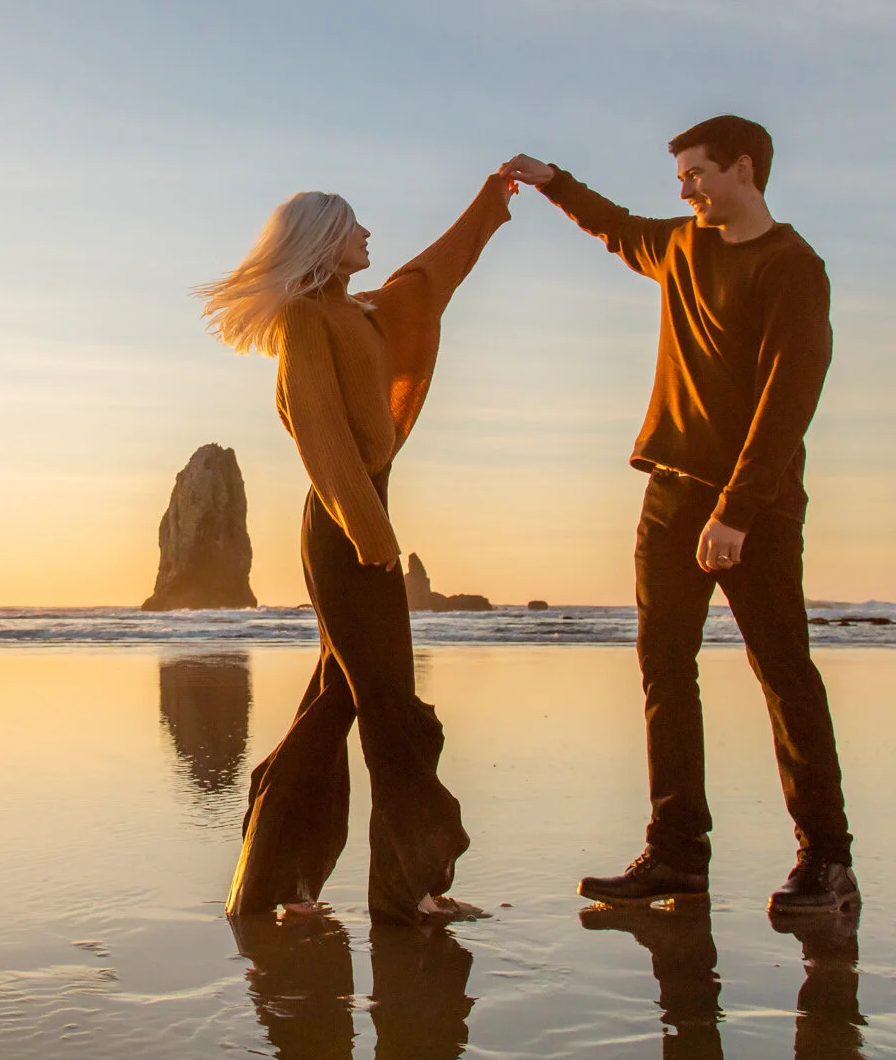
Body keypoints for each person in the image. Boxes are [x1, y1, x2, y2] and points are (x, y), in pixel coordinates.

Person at [501, 115, 858, 915]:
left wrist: (735, 509)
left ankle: (827, 861)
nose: (687, 189)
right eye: (681, 180)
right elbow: (614, 226)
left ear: (744, 168)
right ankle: (676, 855)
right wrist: (551, 179)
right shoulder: (678, 247)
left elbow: (788, 398)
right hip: (668, 495)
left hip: (753, 506)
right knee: (665, 670)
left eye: (697, 174)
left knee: (784, 674)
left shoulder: (794, 267)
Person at [202, 172, 514, 925]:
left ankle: (276, 885)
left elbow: (431, 273)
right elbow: (322, 435)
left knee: (337, 700)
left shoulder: (365, 311)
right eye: (353, 228)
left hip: (362, 521)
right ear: (323, 246)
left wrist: (490, 200)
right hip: (345, 532)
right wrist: (371, 533)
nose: (369, 235)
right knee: (389, 708)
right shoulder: (307, 322)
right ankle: (408, 893)